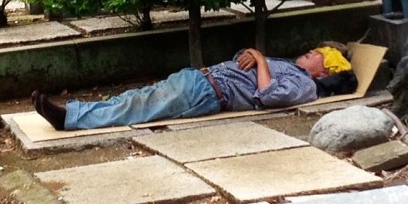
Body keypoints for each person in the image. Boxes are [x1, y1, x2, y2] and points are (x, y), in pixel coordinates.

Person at [31, 46, 355, 131]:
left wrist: (259, 57)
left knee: (135, 107)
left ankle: (69, 118)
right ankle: (72, 113)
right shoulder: (293, 69)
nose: (308, 53)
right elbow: (249, 70)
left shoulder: (304, 84)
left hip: (207, 93)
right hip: (201, 80)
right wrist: (248, 56)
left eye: (315, 55)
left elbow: (269, 95)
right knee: (133, 99)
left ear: (325, 69)